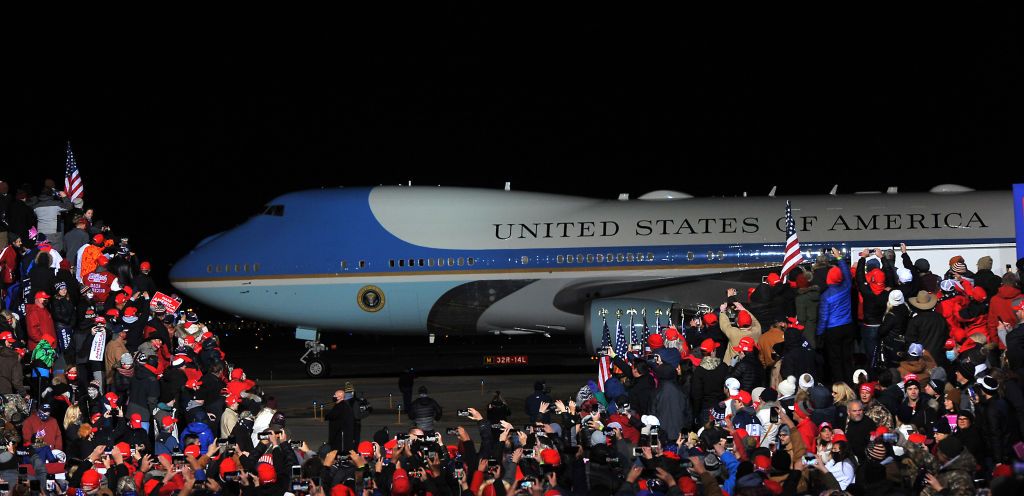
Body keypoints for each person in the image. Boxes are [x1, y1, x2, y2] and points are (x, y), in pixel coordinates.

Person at [819, 247, 855, 386]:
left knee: (835, 360)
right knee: (847, 357)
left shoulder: (826, 296)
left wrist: (820, 333)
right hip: (848, 326)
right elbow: (846, 273)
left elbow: (823, 318)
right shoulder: (846, 286)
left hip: (833, 330)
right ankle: (850, 382)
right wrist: (839, 257)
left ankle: (840, 385)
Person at [325, 388, 355, 453]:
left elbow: (331, 415)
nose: (333, 396)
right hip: (342, 434)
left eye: (335, 395)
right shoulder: (344, 405)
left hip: (339, 436)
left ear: (339, 397)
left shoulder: (340, 406)